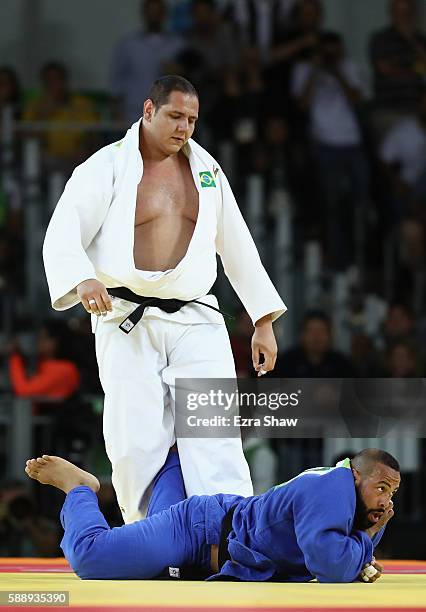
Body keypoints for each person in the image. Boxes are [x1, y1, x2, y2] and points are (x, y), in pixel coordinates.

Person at [43, 75, 286, 524]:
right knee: (134, 439)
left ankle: (229, 536)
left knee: (215, 432)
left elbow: (237, 243)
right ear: (149, 110)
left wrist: (263, 319)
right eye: (175, 116)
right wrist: (82, 280)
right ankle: (148, 534)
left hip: (196, 317)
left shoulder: (208, 171)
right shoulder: (106, 166)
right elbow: (63, 230)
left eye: (192, 119)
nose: (184, 128)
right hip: (126, 316)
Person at [25, 448, 399, 582]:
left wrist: (365, 540)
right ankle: (79, 488)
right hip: (197, 532)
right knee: (91, 555)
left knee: (155, 518)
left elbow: (346, 558)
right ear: (353, 474)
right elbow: (332, 566)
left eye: (392, 493)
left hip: (211, 548)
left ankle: (173, 454)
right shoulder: (333, 485)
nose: (385, 502)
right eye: (380, 488)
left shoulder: (354, 508)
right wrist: (366, 543)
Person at [291, 31, 369, 270]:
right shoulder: (304, 69)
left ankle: (362, 256)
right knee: (331, 205)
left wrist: (337, 71)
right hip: (324, 144)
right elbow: (302, 104)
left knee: (361, 202)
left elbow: (357, 99)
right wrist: (316, 69)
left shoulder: (349, 67)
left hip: (352, 142)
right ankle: (338, 258)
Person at [110, 0, 184, 124]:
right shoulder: (128, 45)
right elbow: (116, 82)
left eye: (157, 12)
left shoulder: (178, 46)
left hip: (168, 114)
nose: (154, 16)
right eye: (150, 12)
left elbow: (187, 82)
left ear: (164, 14)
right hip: (133, 113)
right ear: (144, 14)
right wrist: (116, 113)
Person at [23, 62, 98, 171]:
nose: (54, 85)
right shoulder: (34, 106)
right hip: (46, 159)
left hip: (78, 157)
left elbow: (92, 133)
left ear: (65, 81)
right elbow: (28, 137)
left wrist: (84, 149)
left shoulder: (82, 104)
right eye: (49, 81)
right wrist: (43, 114)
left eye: (57, 80)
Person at [370, 0, 426, 123]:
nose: (403, 18)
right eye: (400, 14)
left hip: (417, 110)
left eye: (407, 14)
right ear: (392, 14)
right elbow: (385, 69)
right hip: (389, 110)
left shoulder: (420, 40)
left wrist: (412, 41)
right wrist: (414, 69)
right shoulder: (381, 39)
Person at [8, 320, 80, 400]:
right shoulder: (42, 363)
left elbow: (24, 391)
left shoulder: (65, 369)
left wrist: (15, 356)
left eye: (43, 338)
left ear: (54, 343)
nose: (38, 342)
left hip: (56, 412)